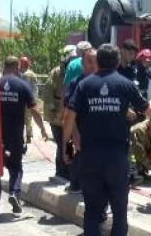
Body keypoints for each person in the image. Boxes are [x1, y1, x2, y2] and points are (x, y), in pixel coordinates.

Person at [64, 44, 151, 236]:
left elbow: (69, 116)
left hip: (90, 156)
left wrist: (64, 145)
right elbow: (148, 110)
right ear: (116, 62)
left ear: (98, 62)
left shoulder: (85, 85)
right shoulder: (125, 85)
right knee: (119, 209)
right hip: (117, 158)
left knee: (93, 210)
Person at [0, 56, 49, 216]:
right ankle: (14, 193)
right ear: (17, 67)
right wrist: (42, 129)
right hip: (15, 134)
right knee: (16, 167)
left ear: (4, 67)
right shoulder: (23, 85)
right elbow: (35, 110)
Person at [63, 48, 98, 194]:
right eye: (89, 61)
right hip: (79, 128)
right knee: (76, 156)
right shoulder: (75, 83)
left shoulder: (103, 81)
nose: (92, 64)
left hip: (98, 131)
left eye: (95, 61)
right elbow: (69, 112)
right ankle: (74, 183)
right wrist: (75, 132)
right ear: (82, 63)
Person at [43, 45, 77, 183]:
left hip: (69, 115)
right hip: (57, 117)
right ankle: (62, 172)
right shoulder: (57, 72)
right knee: (63, 144)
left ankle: (67, 172)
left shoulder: (74, 71)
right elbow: (47, 92)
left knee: (68, 144)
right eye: (72, 58)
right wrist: (52, 108)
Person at [130, 114, 151, 181]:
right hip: (129, 153)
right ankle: (133, 172)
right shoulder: (139, 130)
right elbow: (140, 154)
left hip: (144, 149)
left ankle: (142, 171)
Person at [20, 56, 39, 143]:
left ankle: (20, 136)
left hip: (20, 100)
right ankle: (28, 136)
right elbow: (35, 88)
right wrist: (34, 100)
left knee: (20, 118)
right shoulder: (32, 74)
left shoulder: (18, 73)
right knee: (29, 119)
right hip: (29, 99)